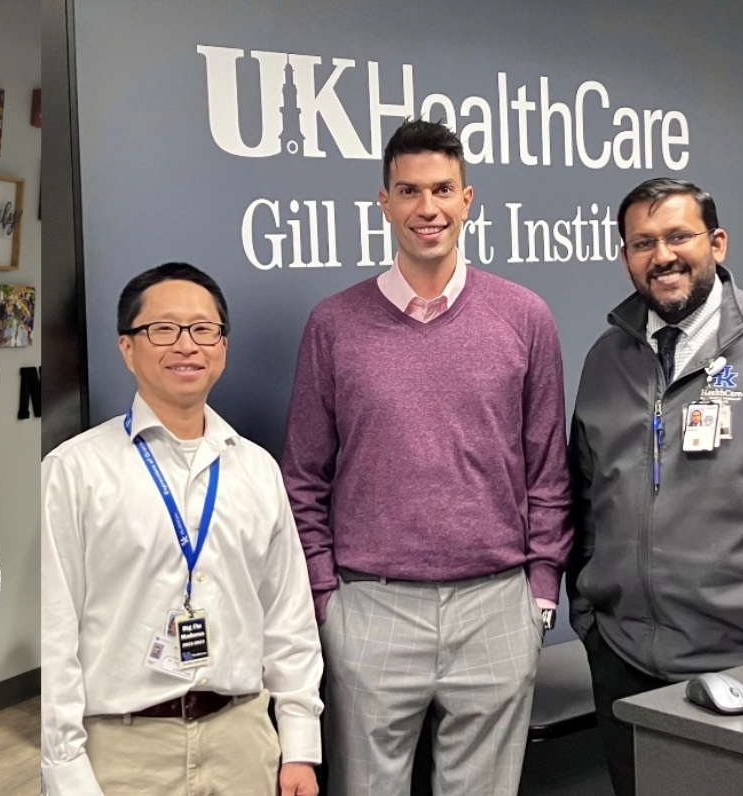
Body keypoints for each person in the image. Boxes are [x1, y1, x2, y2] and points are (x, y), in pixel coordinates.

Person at [282, 119, 570, 796]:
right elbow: (302, 476)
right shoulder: (333, 324)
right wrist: (329, 601)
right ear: (383, 202)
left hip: (497, 604)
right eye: (408, 191)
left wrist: (539, 593)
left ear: (467, 198)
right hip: (371, 607)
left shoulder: (524, 315)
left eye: (442, 189)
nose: (427, 208)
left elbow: (546, 470)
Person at [42, 263, 322, 796]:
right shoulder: (75, 470)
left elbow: (289, 617)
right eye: (163, 330)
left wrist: (300, 747)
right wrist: (66, 770)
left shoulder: (257, 468)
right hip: (124, 752)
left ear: (223, 346)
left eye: (203, 329)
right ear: (127, 348)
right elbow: (54, 633)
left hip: (243, 739)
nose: (186, 345)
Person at [568, 177, 743, 796]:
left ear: (717, 243)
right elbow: (584, 494)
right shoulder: (605, 358)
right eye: (642, 243)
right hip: (623, 661)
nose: (662, 256)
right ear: (625, 256)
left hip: (738, 661)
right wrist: (590, 616)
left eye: (678, 236)